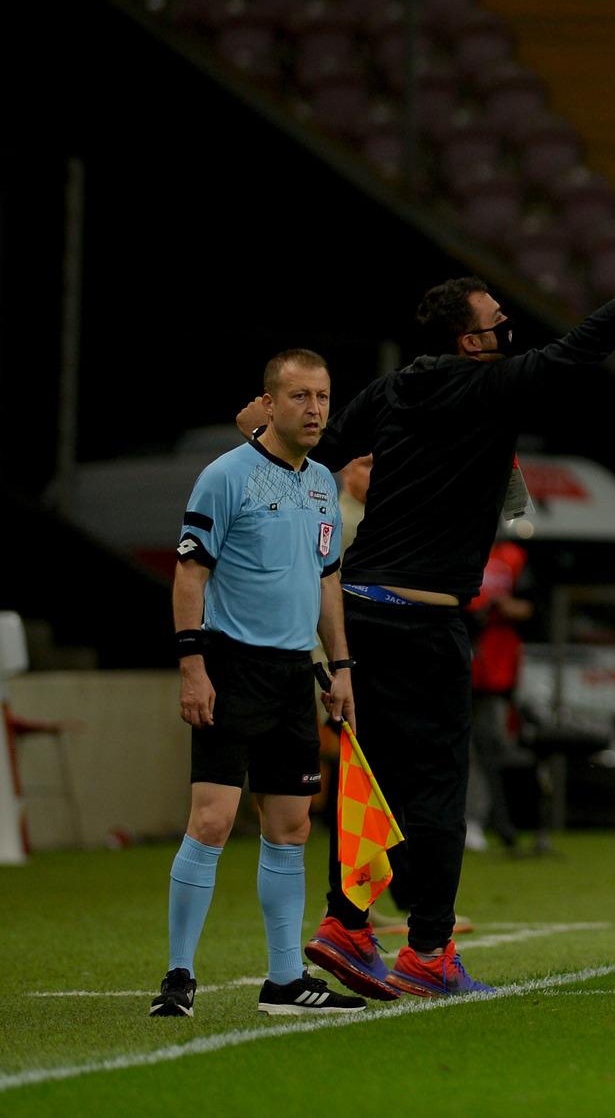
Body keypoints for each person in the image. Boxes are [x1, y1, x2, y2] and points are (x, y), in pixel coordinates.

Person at [239, 217, 615, 999]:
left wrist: (257, 437)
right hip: (424, 621)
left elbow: (309, 458)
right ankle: (429, 951)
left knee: (370, 782)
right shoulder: (491, 385)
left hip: (357, 608)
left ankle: (346, 925)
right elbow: (583, 349)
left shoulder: (391, 390)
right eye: (498, 326)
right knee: (438, 791)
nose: (509, 335)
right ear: (469, 342)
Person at [151, 349, 362, 1019]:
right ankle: (179, 975)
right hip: (231, 665)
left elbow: (326, 578)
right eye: (300, 396)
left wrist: (341, 666)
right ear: (267, 404)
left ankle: (283, 981)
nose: (315, 409)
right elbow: (190, 574)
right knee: (211, 822)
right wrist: (194, 668)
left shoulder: (324, 482)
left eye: (323, 396)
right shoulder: (226, 476)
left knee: (292, 827)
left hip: (292, 674)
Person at [464, 539, 532, 852]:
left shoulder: (511, 556)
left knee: (491, 745)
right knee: (462, 748)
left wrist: (504, 607)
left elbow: (530, 605)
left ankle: (480, 819)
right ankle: (466, 820)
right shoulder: (459, 543)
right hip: (459, 661)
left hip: (496, 667)